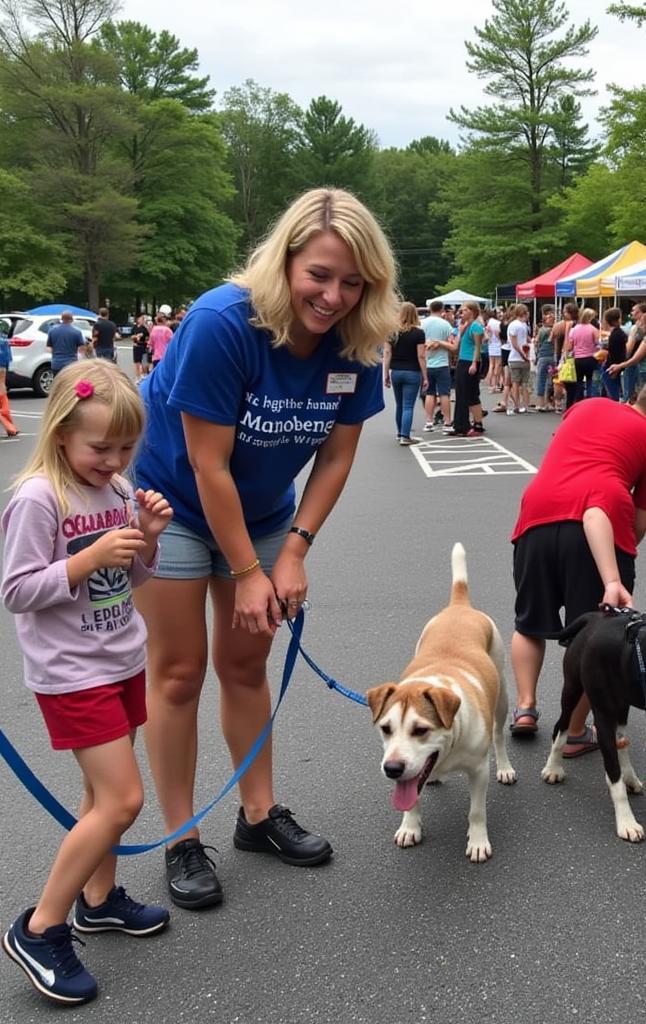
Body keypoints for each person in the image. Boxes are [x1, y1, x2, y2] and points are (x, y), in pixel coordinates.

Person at [132, 187, 398, 911]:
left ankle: (258, 814)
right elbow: (207, 464)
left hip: (267, 511)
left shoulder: (357, 339)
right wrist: (248, 570)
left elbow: (338, 458)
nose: (334, 296)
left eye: (353, 282)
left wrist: (293, 553)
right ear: (285, 262)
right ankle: (182, 837)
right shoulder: (224, 322)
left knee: (245, 664)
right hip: (176, 505)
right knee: (181, 671)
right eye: (319, 275)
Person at [1, 361, 173, 1004]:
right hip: (72, 674)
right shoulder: (40, 496)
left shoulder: (120, 490)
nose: (114, 460)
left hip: (121, 657)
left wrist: (147, 542)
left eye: (126, 447)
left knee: (101, 796)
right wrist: (86, 558)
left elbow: (126, 582)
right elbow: (17, 591)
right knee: (123, 799)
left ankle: (97, 899)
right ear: (60, 434)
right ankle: (39, 927)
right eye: (100, 447)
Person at [507, 376, 646, 754]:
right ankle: (574, 730)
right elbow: (641, 521)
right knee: (596, 640)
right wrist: (619, 556)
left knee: (529, 621)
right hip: (599, 519)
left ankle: (525, 707)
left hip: (538, 510)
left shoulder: (586, 405)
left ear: (639, 397)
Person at [383, 301, 427, 445]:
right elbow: (421, 355)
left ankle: (400, 432)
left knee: (400, 405)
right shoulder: (418, 333)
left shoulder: (392, 332)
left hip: (396, 371)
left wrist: (386, 374)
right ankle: (405, 436)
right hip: (412, 371)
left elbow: (387, 353)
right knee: (408, 405)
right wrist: (425, 376)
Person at [608, 310, 646, 397]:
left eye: (643, 324)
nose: (641, 326)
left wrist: (619, 366)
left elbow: (635, 358)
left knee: (645, 398)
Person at [421, 299, 456, 433]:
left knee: (429, 393)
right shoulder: (445, 325)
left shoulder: (422, 323)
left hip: (427, 362)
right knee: (444, 394)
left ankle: (429, 422)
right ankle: (447, 422)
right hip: (442, 362)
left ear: (430, 309)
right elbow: (452, 343)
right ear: (442, 310)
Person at [452, 302, 486, 437]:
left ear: (471, 311)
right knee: (465, 394)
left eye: (464, 310)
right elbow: (458, 346)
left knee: (467, 394)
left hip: (470, 362)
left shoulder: (476, 326)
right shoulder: (465, 326)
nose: (461, 313)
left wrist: (474, 364)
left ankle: (470, 425)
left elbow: (478, 347)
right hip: (463, 360)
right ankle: (468, 424)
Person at [568, 308, 600, 399]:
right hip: (591, 358)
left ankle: (579, 400)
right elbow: (598, 343)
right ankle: (590, 399)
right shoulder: (593, 329)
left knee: (579, 381)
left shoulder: (574, 329)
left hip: (578, 359)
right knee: (590, 381)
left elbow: (570, 346)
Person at [506, 304, 531, 414]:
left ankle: (517, 405)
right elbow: (523, 342)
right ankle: (525, 405)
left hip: (515, 357)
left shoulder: (513, 325)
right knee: (524, 383)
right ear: (524, 313)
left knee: (515, 383)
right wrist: (525, 354)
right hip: (524, 357)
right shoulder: (524, 325)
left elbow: (514, 343)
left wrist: (521, 354)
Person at [46, 311, 88, 377]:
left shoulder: (52, 331)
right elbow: (81, 349)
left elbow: (48, 348)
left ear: (61, 319)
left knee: (58, 385)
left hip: (56, 364)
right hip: (71, 365)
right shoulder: (77, 332)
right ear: (71, 320)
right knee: (69, 385)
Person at [601, 307, 627, 403]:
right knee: (612, 391)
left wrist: (615, 370)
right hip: (614, 366)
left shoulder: (615, 334)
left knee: (612, 393)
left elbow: (615, 354)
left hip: (611, 367)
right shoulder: (619, 333)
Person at [533, 308, 556, 412]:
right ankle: (548, 403)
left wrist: (536, 356)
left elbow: (536, 342)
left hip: (542, 357)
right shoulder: (553, 330)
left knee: (541, 380)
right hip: (552, 356)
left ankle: (541, 403)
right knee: (550, 381)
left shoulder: (541, 330)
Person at [0, 321, 17, 436]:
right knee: (2, 395)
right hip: (2, 367)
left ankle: (9, 426)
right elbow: (8, 359)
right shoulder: (4, 339)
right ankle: (10, 427)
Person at [130, 315, 150, 382]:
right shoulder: (135, 327)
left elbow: (148, 336)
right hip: (136, 346)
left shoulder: (145, 328)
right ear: (138, 319)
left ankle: (143, 375)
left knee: (144, 362)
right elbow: (131, 335)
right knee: (136, 362)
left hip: (143, 346)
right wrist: (134, 337)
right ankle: (137, 377)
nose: (142, 320)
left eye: (143, 319)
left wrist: (145, 327)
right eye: (141, 318)